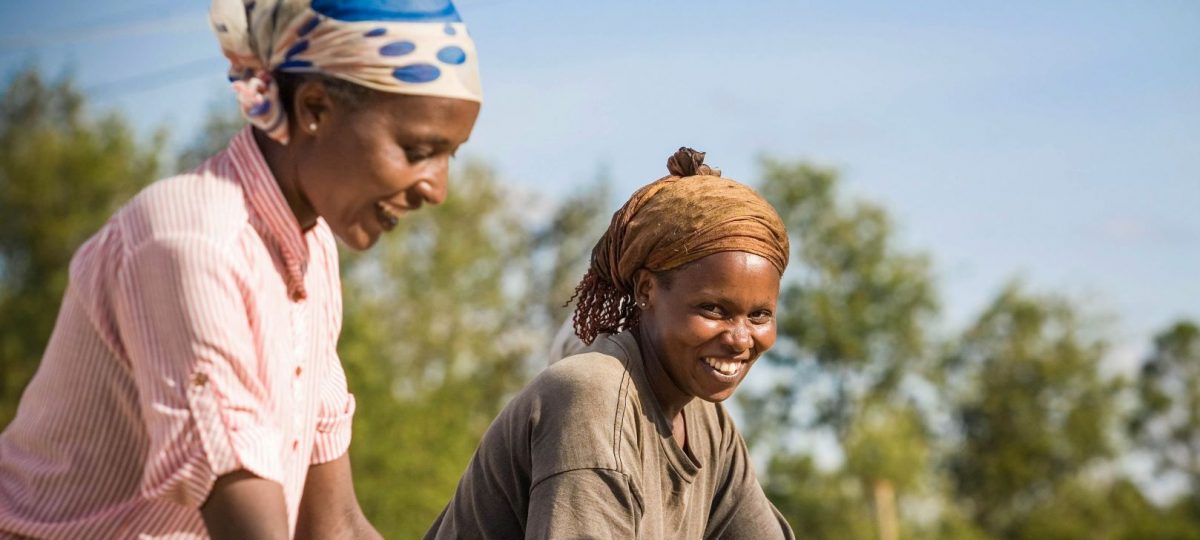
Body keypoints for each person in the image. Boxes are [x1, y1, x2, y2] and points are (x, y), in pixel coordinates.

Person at [0, 0, 481, 538]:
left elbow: (335, 525)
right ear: (315, 109)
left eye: (449, 157)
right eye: (418, 151)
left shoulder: (311, 250)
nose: (436, 189)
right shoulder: (192, 242)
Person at [426, 148, 796, 539]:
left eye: (759, 315)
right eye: (713, 309)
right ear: (646, 290)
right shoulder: (592, 398)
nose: (740, 339)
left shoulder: (707, 424)